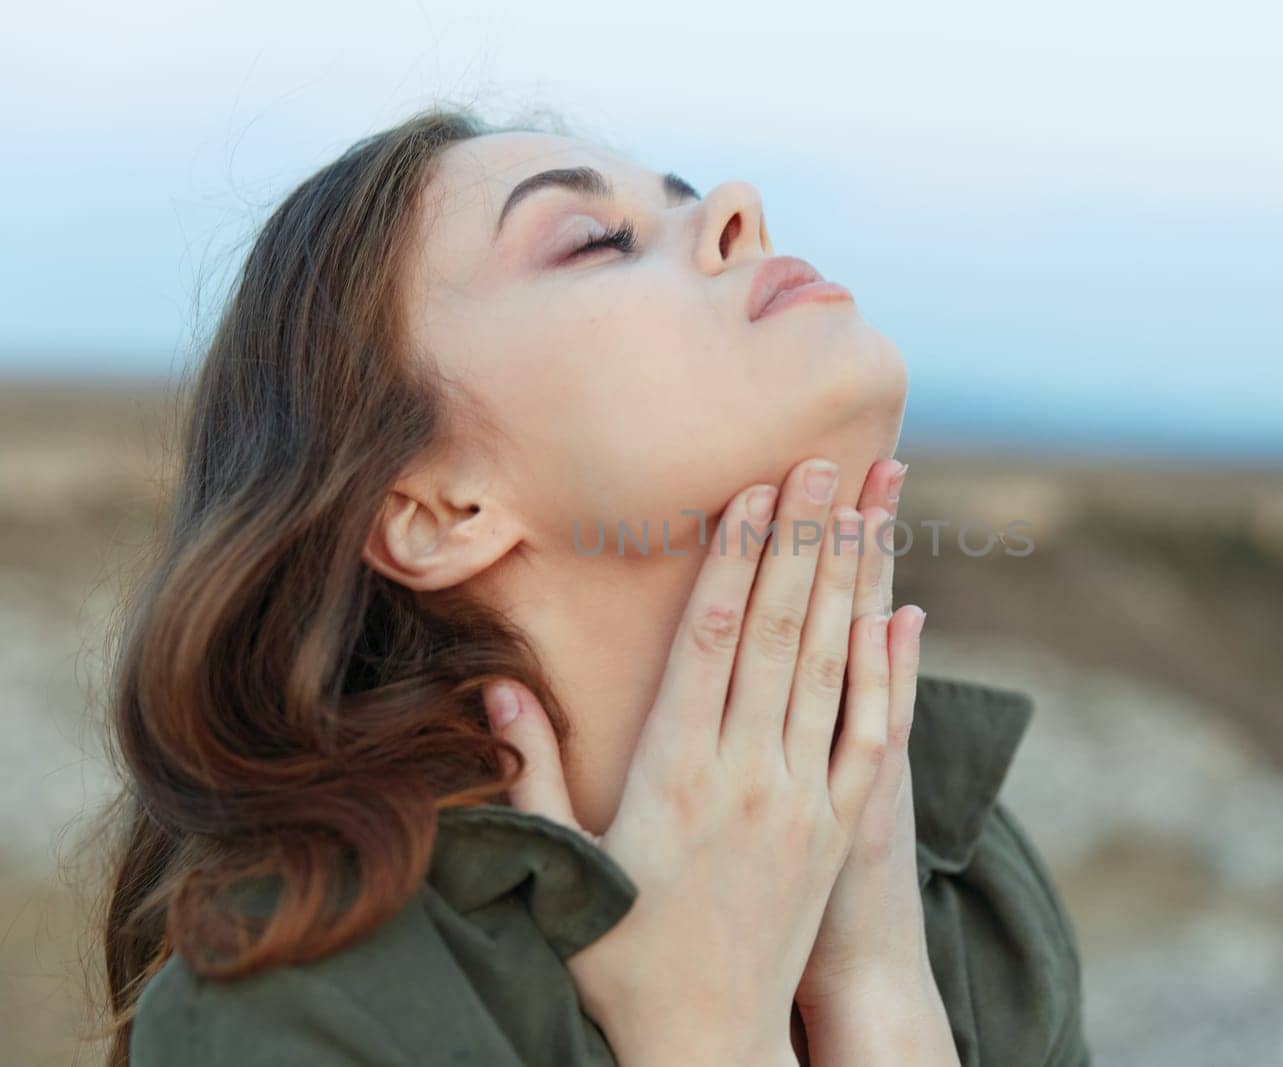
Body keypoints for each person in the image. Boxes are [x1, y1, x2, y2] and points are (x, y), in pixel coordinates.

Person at [99, 103, 1090, 1065]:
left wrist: (879, 989)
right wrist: (713, 1036)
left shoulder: (961, 878)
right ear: (439, 508)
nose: (737, 207)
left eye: (688, 198)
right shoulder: (302, 1005)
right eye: (597, 239)